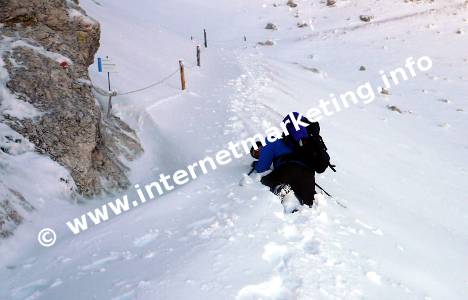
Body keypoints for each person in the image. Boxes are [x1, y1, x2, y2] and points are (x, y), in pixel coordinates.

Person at [251, 137, 316, 207]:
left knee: (265, 180)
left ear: (260, 145)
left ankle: (283, 189)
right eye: (256, 156)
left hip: (289, 168)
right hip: (307, 170)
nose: (258, 155)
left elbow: (262, 168)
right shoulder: (284, 142)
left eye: (256, 151)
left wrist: (255, 164)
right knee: (309, 203)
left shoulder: (268, 142)